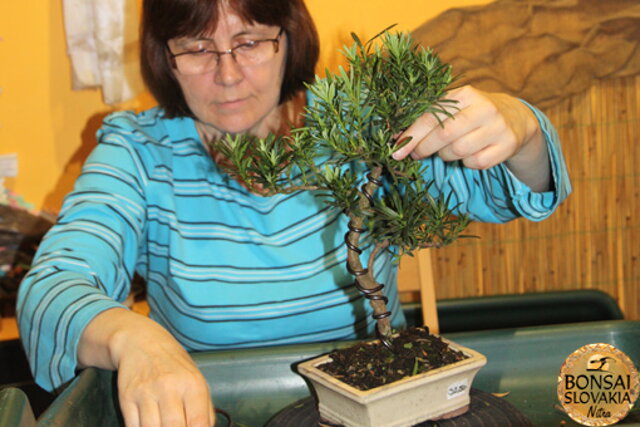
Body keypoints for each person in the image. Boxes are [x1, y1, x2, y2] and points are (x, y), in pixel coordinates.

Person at [17, 0, 571, 425]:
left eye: (250, 41)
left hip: (383, 406)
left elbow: (505, 189)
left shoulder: (357, 130)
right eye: (197, 47)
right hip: (213, 408)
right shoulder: (138, 153)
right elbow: (53, 287)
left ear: (289, 39)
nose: (228, 74)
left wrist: (516, 126)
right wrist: (136, 340)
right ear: (166, 55)